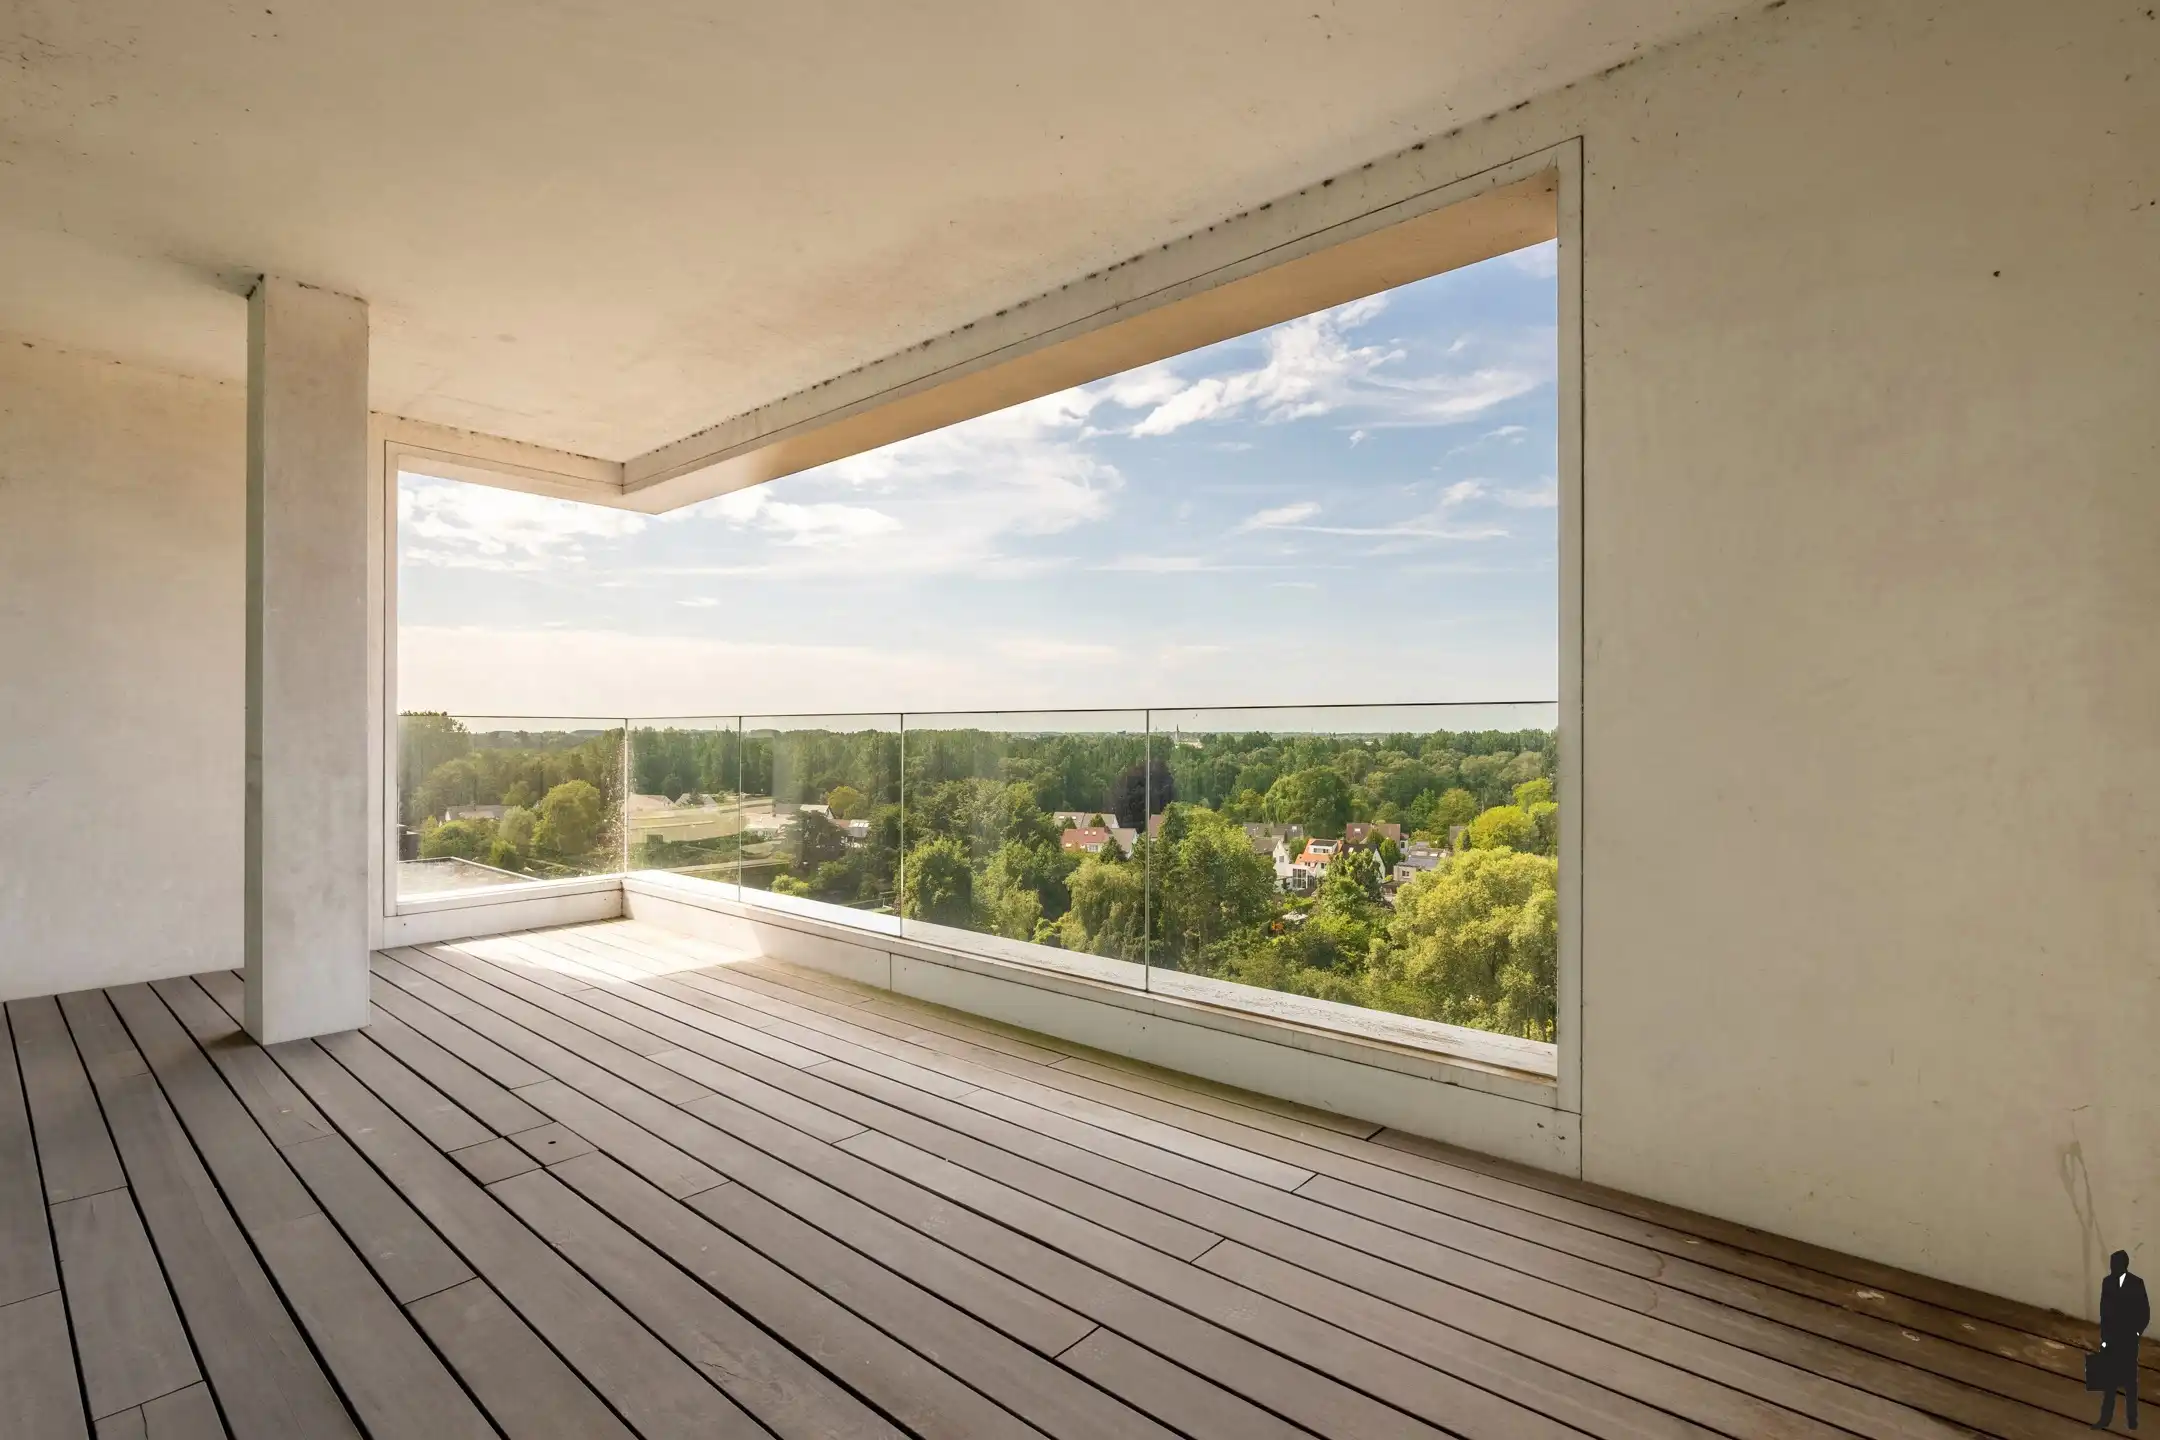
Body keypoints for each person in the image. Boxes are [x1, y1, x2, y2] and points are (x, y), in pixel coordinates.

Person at [2096, 1250, 2149, 1430]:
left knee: (2129, 1383)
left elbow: (2144, 1312)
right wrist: (2104, 1339)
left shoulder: (2136, 1283)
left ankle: (2132, 1420)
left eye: (2114, 1264)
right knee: (2110, 1383)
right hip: (2112, 1340)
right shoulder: (2108, 1282)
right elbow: (2104, 1312)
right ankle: (2105, 1419)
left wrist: (2135, 1333)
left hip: (2128, 1341)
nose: (2111, 1267)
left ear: (2123, 1265)